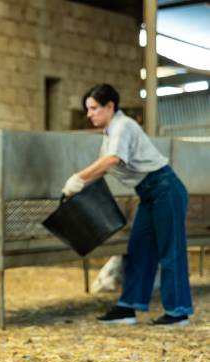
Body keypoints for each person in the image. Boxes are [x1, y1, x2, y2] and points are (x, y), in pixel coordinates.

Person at [63, 84, 193, 326]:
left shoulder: (123, 126)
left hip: (165, 188)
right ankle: (128, 307)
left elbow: (112, 160)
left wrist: (79, 177)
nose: (89, 114)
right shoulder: (111, 132)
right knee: (139, 248)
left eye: (93, 108)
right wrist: (79, 187)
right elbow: (105, 164)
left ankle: (178, 311)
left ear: (110, 106)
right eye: (88, 109)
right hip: (148, 192)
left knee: (170, 250)